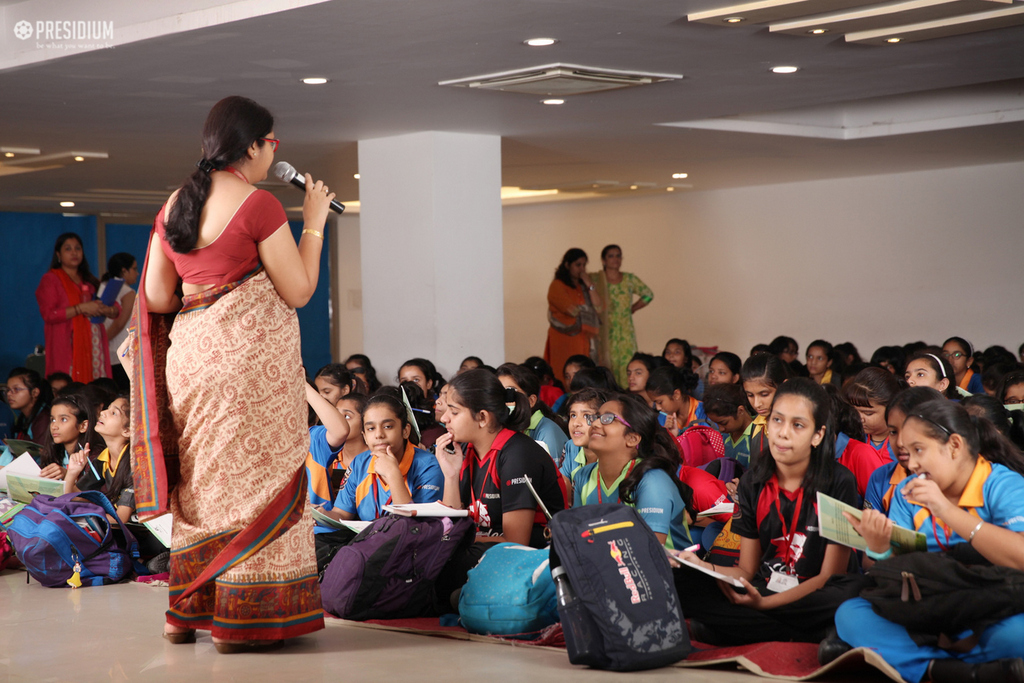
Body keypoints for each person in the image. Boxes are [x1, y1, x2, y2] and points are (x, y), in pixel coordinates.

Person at [133, 96, 333, 651]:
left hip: (191, 361)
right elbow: (297, 291)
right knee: (257, 483)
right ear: (251, 145)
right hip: (250, 364)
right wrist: (312, 224)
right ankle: (240, 622)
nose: (275, 152)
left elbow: (154, 295)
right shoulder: (260, 204)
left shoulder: (175, 203)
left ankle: (184, 613)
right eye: (273, 143)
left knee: (200, 482)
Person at [835, 400, 1024, 683]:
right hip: (927, 605)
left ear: (955, 446)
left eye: (919, 450)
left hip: (990, 605)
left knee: (1015, 636)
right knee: (850, 614)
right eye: (907, 453)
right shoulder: (906, 492)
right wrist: (879, 547)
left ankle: (907, 660)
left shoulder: (1002, 484)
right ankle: (956, 670)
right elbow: (891, 572)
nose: (911, 463)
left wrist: (945, 510)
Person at [674, 379, 862, 646]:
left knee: (851, 594)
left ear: (818, 435)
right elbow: (746, 571)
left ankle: (743, 629)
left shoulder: (839, 481)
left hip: (817, 593)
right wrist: (701, 566)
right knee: (680, 582)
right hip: (768, 584)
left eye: (798, 425)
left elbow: (829, 575)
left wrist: (763, 604)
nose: (783, 433)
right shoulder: (753, 482)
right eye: (777, 420)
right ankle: (810, 635)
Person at [574, 393, 693, 549]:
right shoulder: (584, 475)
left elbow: (650, 551)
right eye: (595, 417)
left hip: (666, 570)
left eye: (608, 418)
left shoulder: (652, 480)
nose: (595, 423)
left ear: (632, 439)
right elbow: (577, 536)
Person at [35, 233, 118, 382]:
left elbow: (115, 309)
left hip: (94, 344)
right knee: (70, 388)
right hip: (68, 345)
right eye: (68, 249)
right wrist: (81, 308)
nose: (74, 252)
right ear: (58, 254)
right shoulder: (51, 279)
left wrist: (106, 309)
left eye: (78, 248)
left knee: (97, 388)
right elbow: (49, 314)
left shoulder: (90, 280)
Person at [590, 245, 653, 387]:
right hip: (606, 332)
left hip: (626, 333)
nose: (615, 259)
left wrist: (633, 308)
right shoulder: (597, 280)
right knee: (607, 367)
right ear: (603, 260)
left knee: (628, 366)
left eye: (618, 255)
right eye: (611, 256)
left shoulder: (629, 279)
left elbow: (648, 295)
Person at [543, 248, 601, 384]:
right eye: (578, 265)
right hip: (564, 338)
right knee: (563, 373)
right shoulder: (557, 286)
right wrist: (588, 310)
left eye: (584, 265)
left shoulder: (583, 287)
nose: (582, 269)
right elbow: (572, 310)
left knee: (582, 373)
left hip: (583, 338)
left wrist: (589, 284)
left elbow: (599, 307)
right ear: (567, 265)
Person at [496, 363, 568, 462]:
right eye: (500, 391)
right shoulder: (501, 427)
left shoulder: (548, 432)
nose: (504, 398)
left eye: (510, 391)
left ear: (531, 401)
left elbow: (554, 476)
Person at [98, 253, 139, 391]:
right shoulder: (127, 292)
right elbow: (119, 324)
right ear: (124, 271)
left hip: (103, 352)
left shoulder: (102, 286)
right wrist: (102, 342)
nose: (137, 273)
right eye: (134, 268)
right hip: (119, 353)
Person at [559, 388, 608, 499]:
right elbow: (563, 491)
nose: (576, 423)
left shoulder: (610, 453)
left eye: (586, 416)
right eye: (573, 415)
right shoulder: (570, 447)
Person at [703, 382, 754, 467]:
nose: (721, 429)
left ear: (740, 411)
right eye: (716, 424)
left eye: (724, 423)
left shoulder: (759, 436)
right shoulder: (725, 436)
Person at [5, 367, 51, 448]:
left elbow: (40, 456)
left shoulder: (44, 419)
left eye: (16, 389)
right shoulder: (24, 418)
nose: (9, 394)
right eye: (8, 389)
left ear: (35, 392)